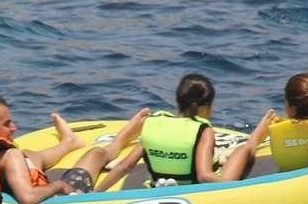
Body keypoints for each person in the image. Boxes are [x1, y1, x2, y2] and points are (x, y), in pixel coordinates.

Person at [0, 94, 133, 204]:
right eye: (7, 124)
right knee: (96, 154)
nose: (14, 128)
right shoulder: (11, 156)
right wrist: (58, 186)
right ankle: (124, 136)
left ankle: (68, 142)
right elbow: (28, 198)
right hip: (54, 203)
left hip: (13, 172)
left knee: (32, 156)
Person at [101, 72, 275, 186]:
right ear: (205, 107)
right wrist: (239, 189)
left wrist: (97, 194)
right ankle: (259, 133)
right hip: (193, 193)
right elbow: (204, 176)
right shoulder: (203, 130)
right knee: (244, 150)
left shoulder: (152, 123)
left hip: (155, 188)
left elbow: (124, 166)